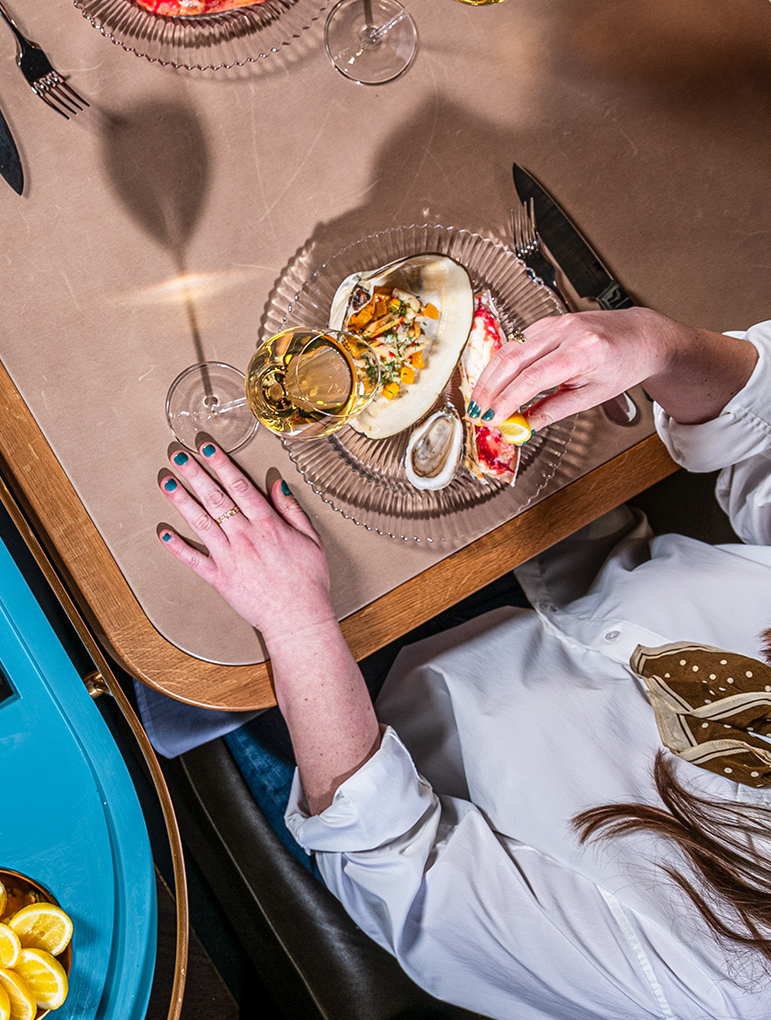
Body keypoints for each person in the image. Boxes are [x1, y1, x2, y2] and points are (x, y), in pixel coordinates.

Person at [154, 305, 771, 1019]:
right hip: (552, 510)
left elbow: (394, 861)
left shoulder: (715, 984)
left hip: (355, 675)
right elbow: (760, 437)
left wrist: (293, 621)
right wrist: (663, 344)